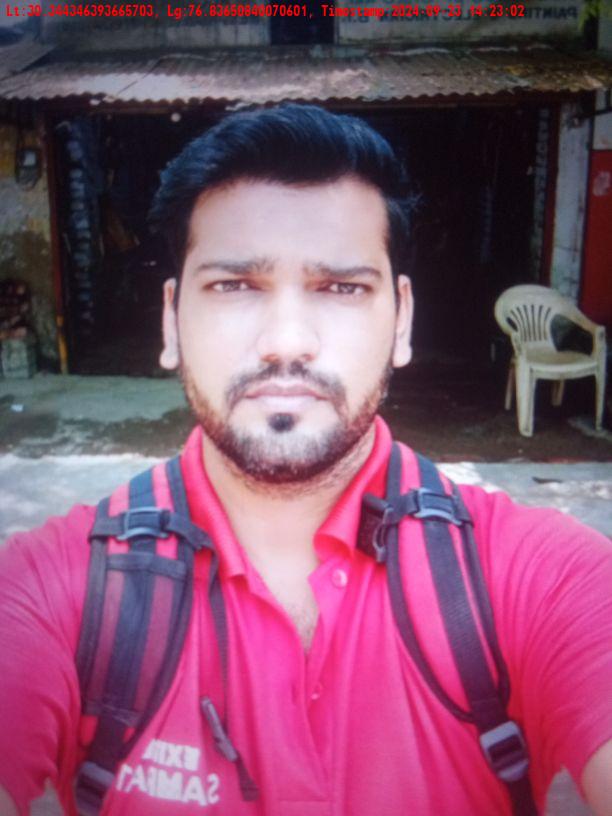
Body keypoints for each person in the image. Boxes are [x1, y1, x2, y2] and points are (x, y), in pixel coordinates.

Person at [0, 104, 611, 816]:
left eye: (342, 287)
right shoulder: (49, 590)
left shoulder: (543, 578)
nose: (286, 341)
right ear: (171, 321)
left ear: (402, 320)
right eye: (234, 285)